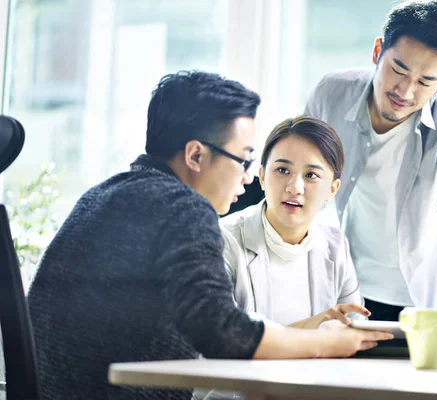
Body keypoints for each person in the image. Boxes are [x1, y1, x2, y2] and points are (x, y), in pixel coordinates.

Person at [27, 71, 393, 400]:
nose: (249, 178)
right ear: (196, 155)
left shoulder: (105, 194)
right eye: (244, 159)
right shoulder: (183, 208)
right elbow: (222, 332)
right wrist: (323, 342)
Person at [304, 0, 437, 337]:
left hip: (422, 304)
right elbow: (296, 180)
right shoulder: (332, 94)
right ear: (377, 51)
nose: (405, 91)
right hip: (346, 292)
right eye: (398, 70)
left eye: (425, 81)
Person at [220, 116, 369, 328]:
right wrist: (314, 326)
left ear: (332, 190)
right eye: (282, 170)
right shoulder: (222, 240)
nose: (294, 187)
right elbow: (224, 336)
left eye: (311, 175)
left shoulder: (336, 246)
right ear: (261, 176)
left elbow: (355, 329)